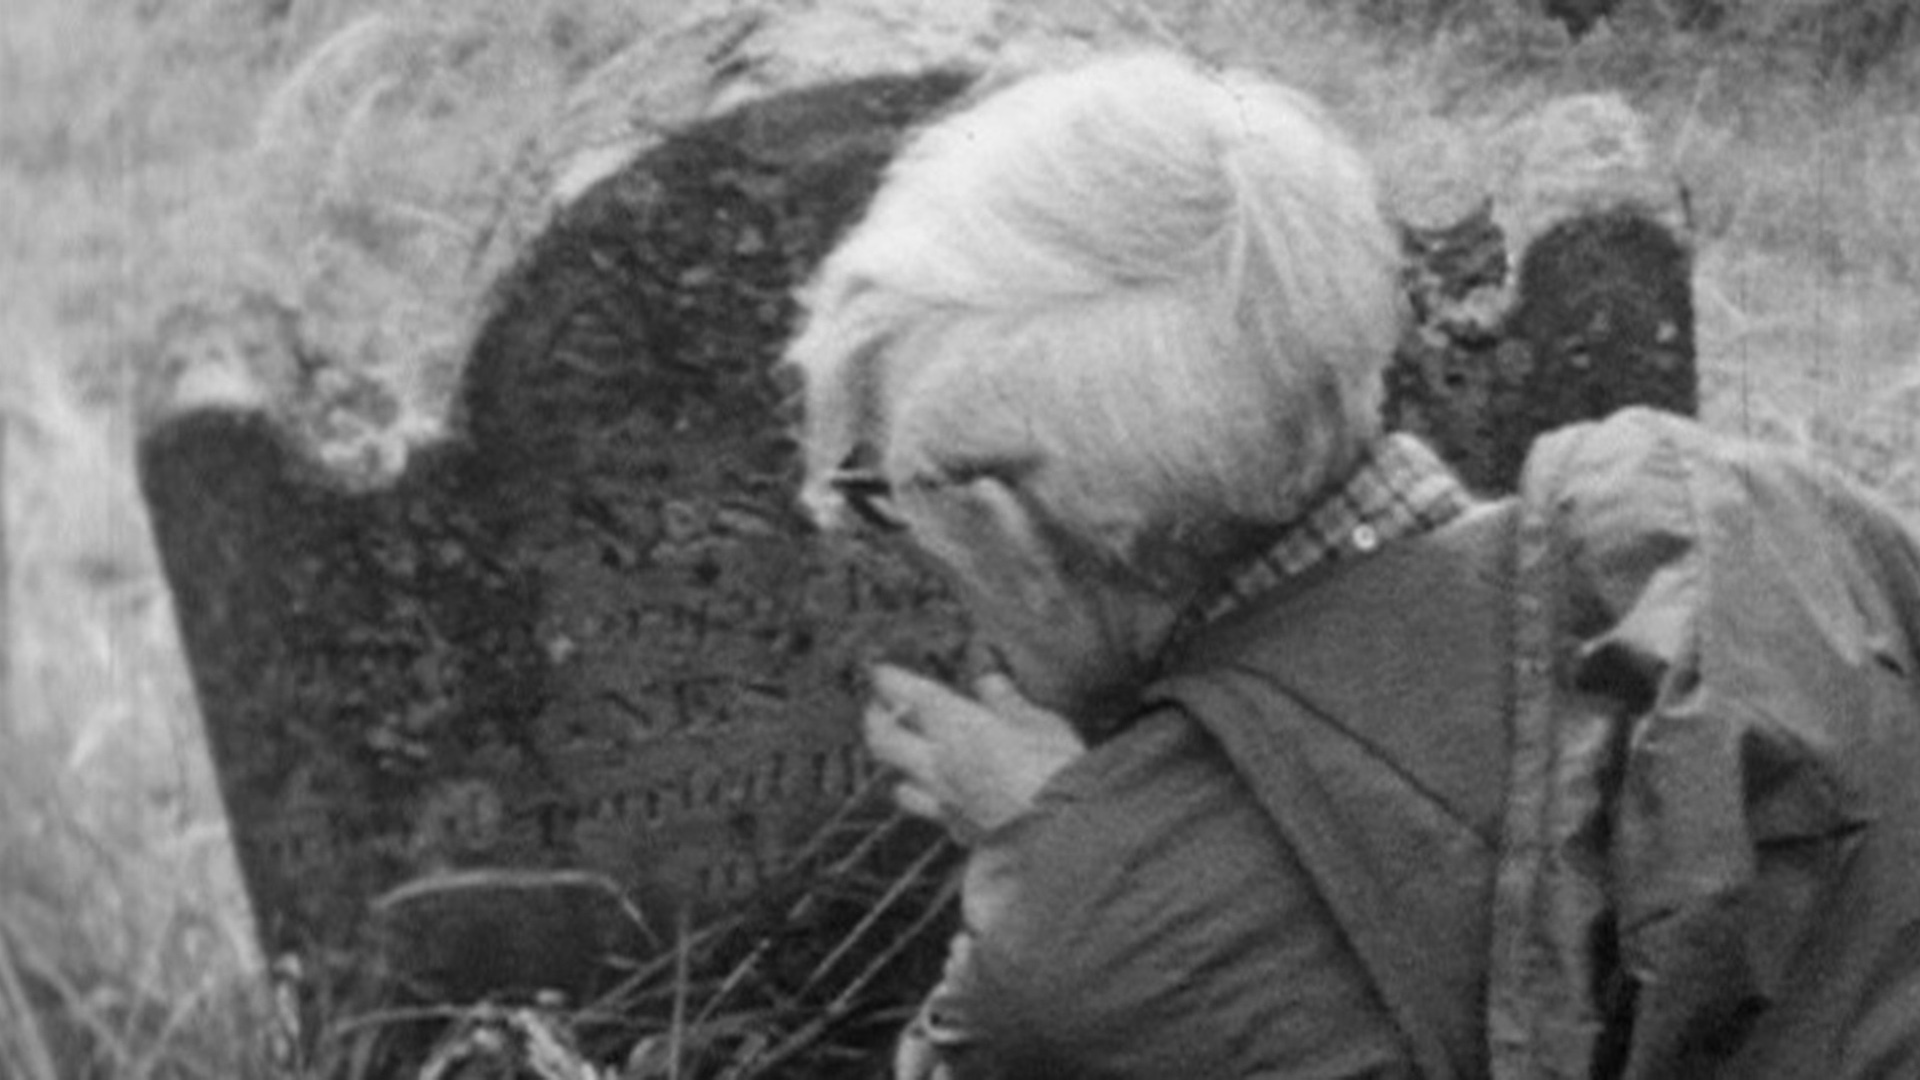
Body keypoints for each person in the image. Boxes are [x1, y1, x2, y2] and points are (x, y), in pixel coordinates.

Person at [782, 50, 1920, 1080]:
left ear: (1012, 529)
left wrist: (1084, 863)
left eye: (886, 498)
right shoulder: (1776, 517)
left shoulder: (1070, 962)